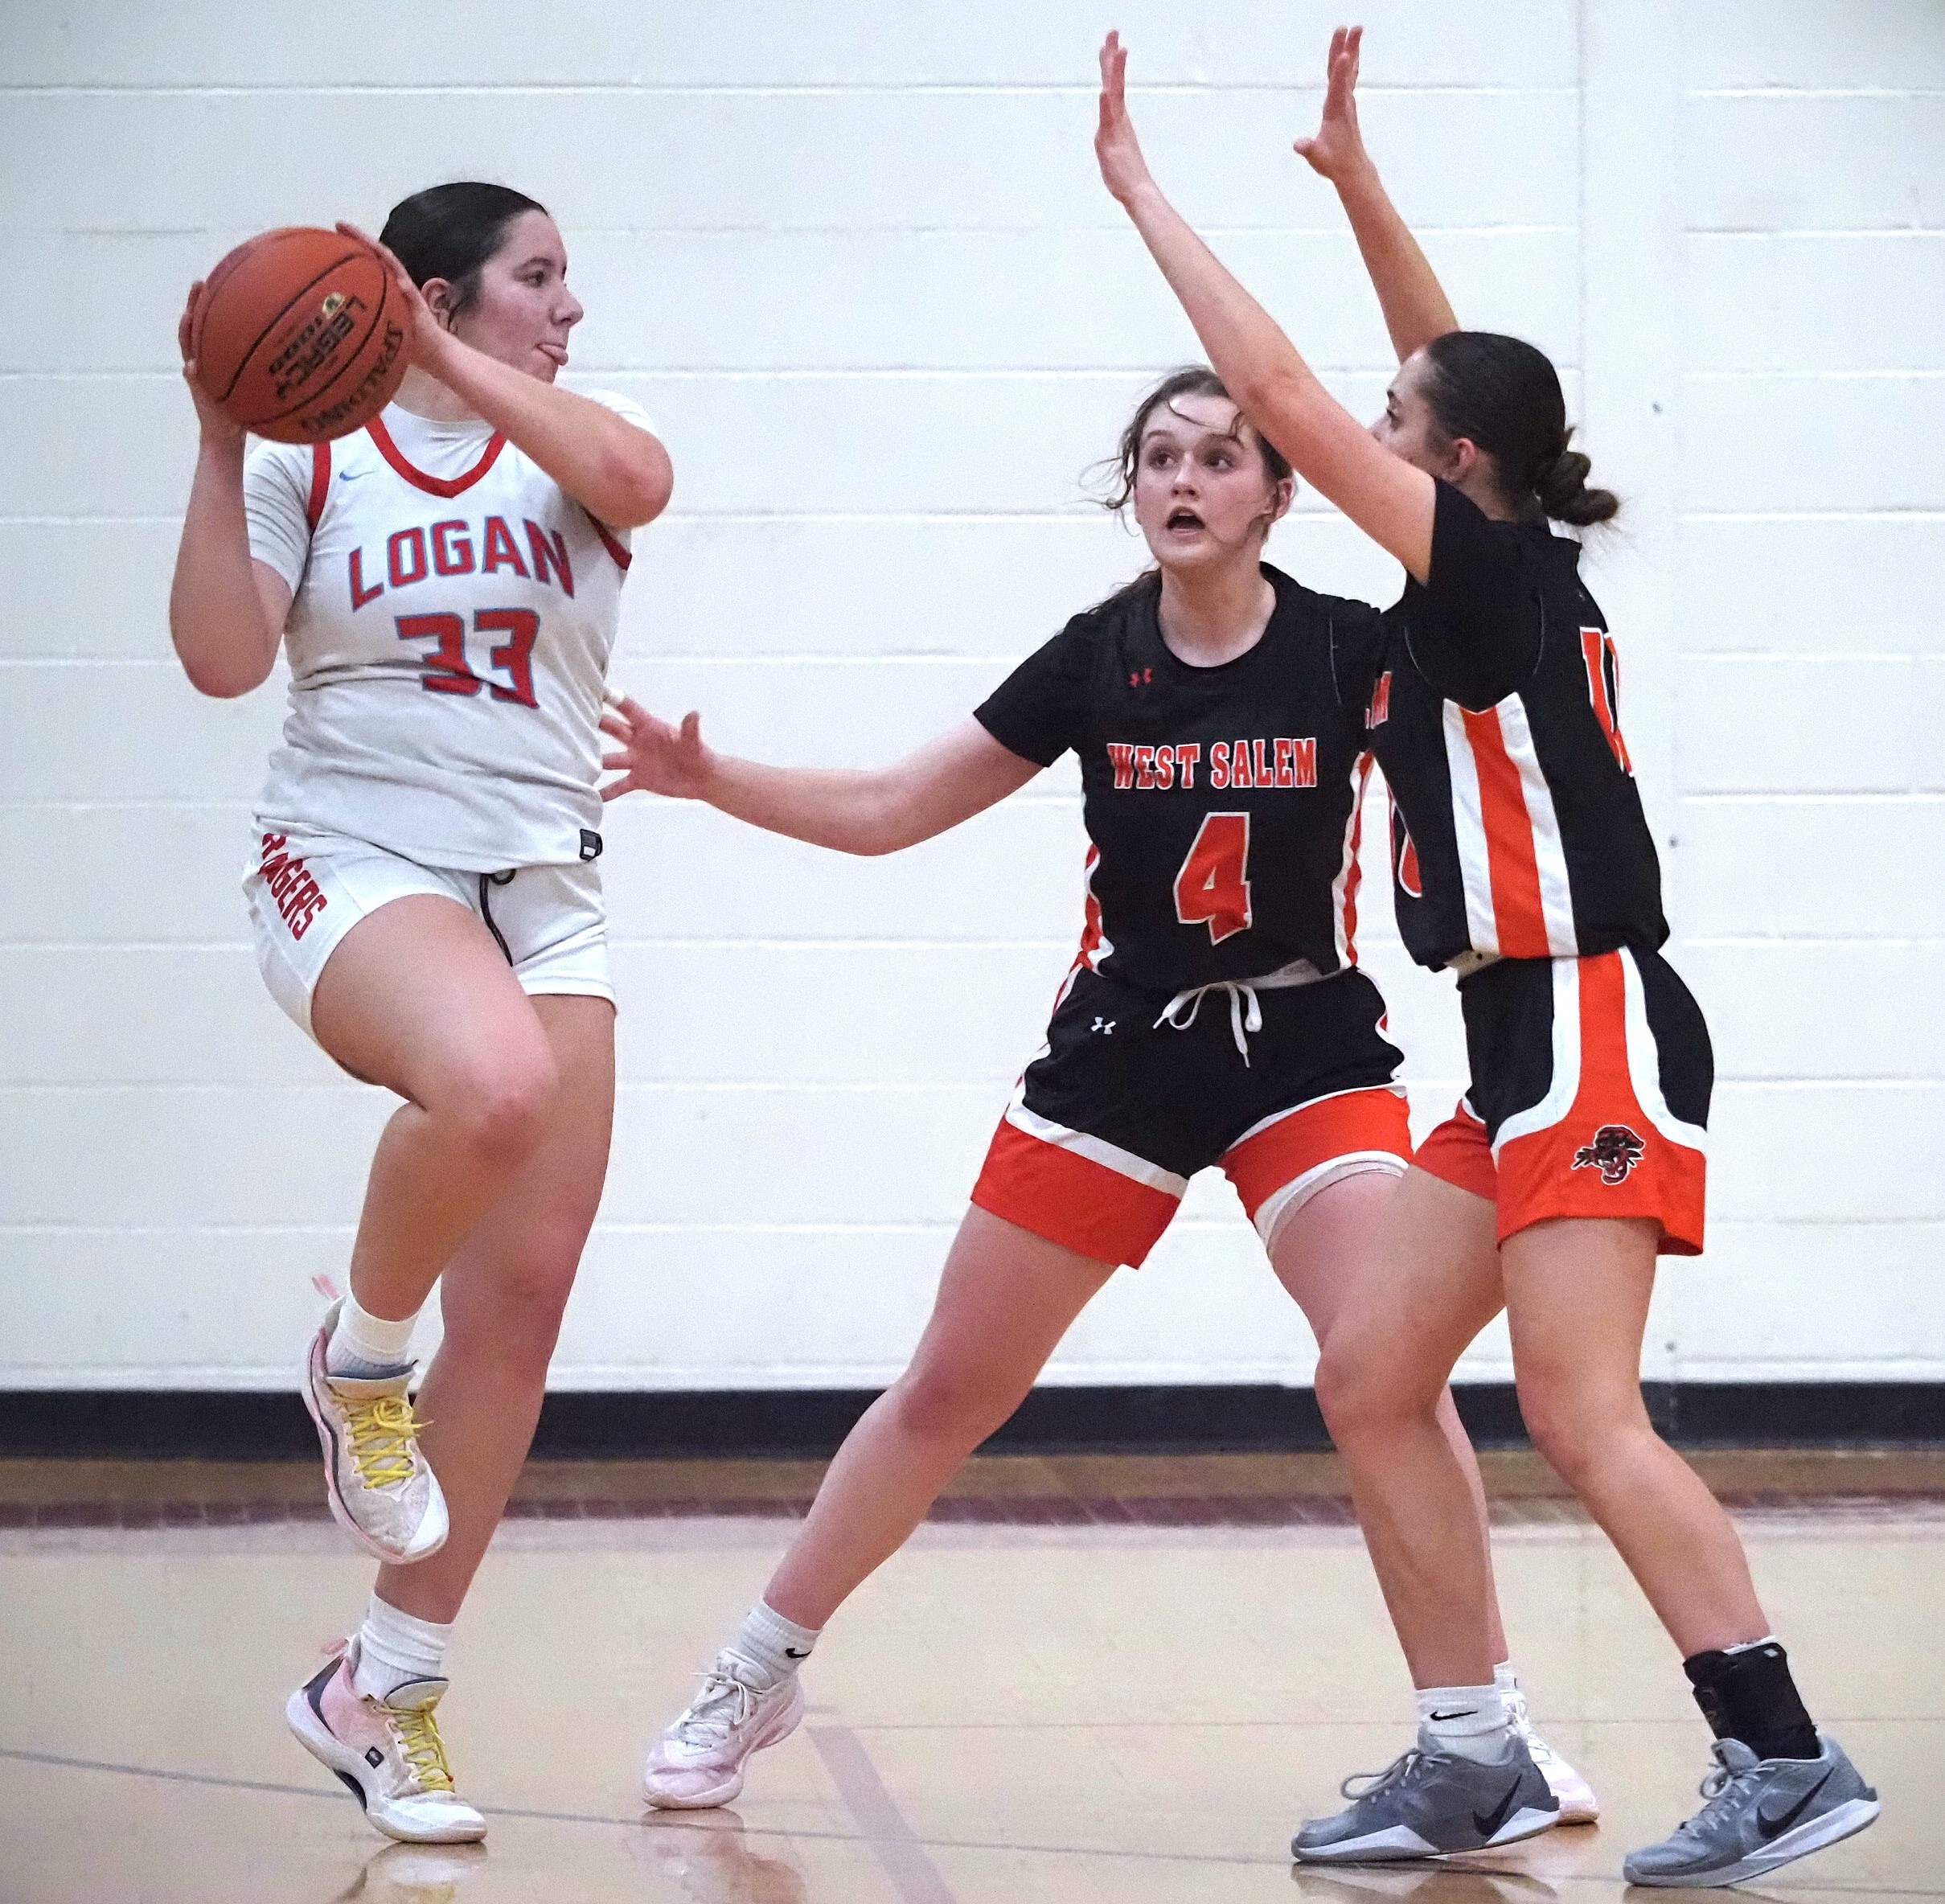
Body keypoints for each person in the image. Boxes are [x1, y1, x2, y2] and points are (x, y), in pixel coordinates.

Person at [1094, 25, 1881, 1885]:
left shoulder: (1484, 577)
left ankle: (1778, 1752)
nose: (1355, 441)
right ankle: (1470, 1754)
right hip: (1510, 1041)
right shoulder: (1504, 548)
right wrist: (1362, 188)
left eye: (1390, 432)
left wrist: (1143, 192)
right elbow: (1427, 389)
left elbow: (1282, 388)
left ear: (1447, 466)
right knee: (1371, 1372)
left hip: (1590, 1013)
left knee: (1577, 1409)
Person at [601, 364, 1589, 1824]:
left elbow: (1498, 737)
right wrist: (710, 778)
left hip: (1305, 1054)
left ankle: (1483, 1728)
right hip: (1124, 1053)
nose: (1181, 482)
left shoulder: (1352, 650)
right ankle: (758, 1665)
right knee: (950, 1387)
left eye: (1216, 459)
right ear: (1131, 489)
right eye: (1156, 459)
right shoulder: (1095, 658)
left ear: (1278, 492)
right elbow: (888, 810)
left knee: (1387, 1370)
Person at [169, 182, 672, 1843]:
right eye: (540, 278)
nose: (571, 305)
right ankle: (362, 1356)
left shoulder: (579, 438)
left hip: (547, 887)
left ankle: (379, 1687)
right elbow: (223, 662)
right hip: (350, 858)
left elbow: (637, 484)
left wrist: (446, 347)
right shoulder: (310, 454)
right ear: (451, 291)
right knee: (494, 1085)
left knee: (522, 1313)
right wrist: (216, 429)